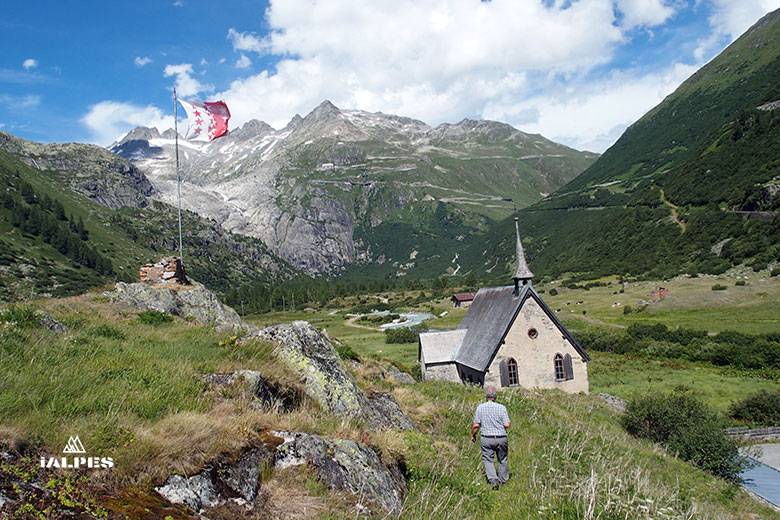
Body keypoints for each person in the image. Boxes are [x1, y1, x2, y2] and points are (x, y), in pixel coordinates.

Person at [471, 385, 510, 489]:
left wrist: (473, 435)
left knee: (488, 459)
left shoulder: (480, 408)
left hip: (487, 437)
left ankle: (493, 479)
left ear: (485, 396)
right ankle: (503, 480)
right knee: (502, 458)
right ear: (496, 396)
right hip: (501, 437)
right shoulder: (502, 408)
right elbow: (507, 424)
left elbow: (476, 425)